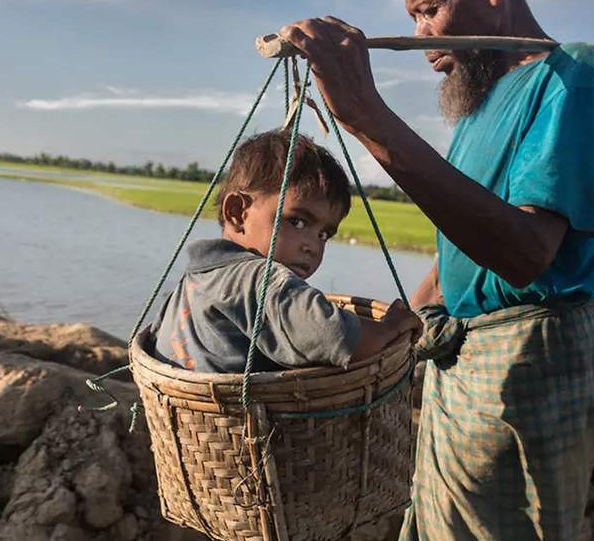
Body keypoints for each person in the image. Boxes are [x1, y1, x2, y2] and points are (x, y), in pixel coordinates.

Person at [279, 0, 594, 541]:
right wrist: (394, 331)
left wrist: (365, 115)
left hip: (525, 370)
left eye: (429, 11)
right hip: (463, 371)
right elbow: (457, 254)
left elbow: (523, 253)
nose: (421, 40)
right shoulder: (480, 107)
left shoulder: (573, 74)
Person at [151, 129, 422, 375]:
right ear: (237, 213)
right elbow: (337, 337)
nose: (312, 246)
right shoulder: (259, 279)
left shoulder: (194, 280)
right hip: (255, 425)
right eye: (297, 222)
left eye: (324, 234)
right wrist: (390, 327)